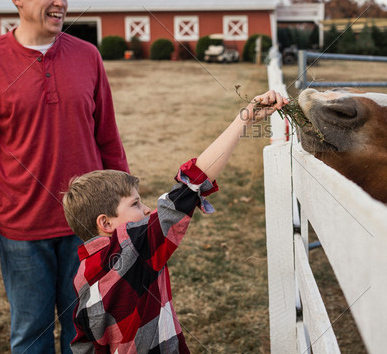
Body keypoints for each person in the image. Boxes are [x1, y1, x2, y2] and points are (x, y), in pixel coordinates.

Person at [0, 0, 129, 353]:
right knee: (30, 334)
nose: (61, 2)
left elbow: (109, 141)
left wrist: (125, 209)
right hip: (21, 231)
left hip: (86, 225)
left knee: (84, 332)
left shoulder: (88, 56)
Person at [62, 90, 287, 353]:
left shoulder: (84, 271)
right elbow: (191, 186)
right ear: (106, 223)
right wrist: (244, 120)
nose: (147, 210)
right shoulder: (135, 246)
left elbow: (84, 345)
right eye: (135, 204)